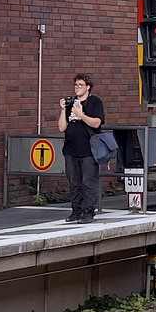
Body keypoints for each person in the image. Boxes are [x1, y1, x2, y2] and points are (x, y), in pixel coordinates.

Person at [57, 74, 105, 224]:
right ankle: (76, 210)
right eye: (75, 85)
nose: (77, 87)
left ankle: (89, 211)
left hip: (88, 150)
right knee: (74, 182)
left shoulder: (95, 102)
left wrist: (81, 115)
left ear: (88, 87)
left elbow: (97, 123)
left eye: (80, 85)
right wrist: (63, 110)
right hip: (71, 149)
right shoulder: (71, 103)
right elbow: (61, 127)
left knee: (88, 182)